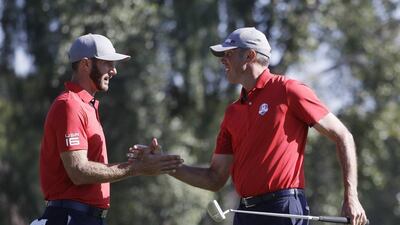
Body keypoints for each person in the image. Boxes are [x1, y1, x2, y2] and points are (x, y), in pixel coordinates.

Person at [167, 27, 368, 225]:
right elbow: (215, 178)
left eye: (228, 53)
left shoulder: (288, 90)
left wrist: (351, 196)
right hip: (244, 211)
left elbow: (343, 135)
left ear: (250, 55)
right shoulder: (232, 112)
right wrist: (165, 166)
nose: (222, 60)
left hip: (283, 207)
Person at [31, 34, 183, 225]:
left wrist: (139, 162)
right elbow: (78, 171)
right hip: (69, 217)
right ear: (85, 64)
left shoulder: (86, 106)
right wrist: (136, 168)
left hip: (84, 217)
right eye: (107, 63)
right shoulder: (69, 105)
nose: (114, 71)